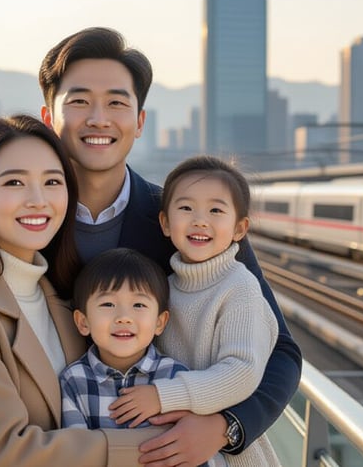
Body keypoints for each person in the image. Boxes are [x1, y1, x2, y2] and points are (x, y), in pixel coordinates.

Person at [0, 27, 302, 467]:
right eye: (79, 101)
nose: (99, 119)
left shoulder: (187, 219)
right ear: (49, 117)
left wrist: (225, 427)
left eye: (117, 103)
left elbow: (281, 350)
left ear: (140, 121)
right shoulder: (9, 223)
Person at [0, 115, 157, 466]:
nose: (38, 200)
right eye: (14, 182)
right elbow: (8, 451)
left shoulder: (58, 295)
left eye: (52, 181)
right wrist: (157, 444)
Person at [108, 155, 280, 466]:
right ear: (165, 223)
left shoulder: (240, 287)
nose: (200, 220)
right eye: (186, 208)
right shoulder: (163, 288)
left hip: (234, 457)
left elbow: (242, 371)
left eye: (216, 210)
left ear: (239, 228)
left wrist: (162, 396)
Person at [59, 247, 223, 466]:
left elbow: (194, 452)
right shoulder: (74, 380)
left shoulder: (176, 377)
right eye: (108, 304)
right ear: (83, 322)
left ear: (159, 322)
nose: (124, 317)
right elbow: (76, 454)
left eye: (139, 305)